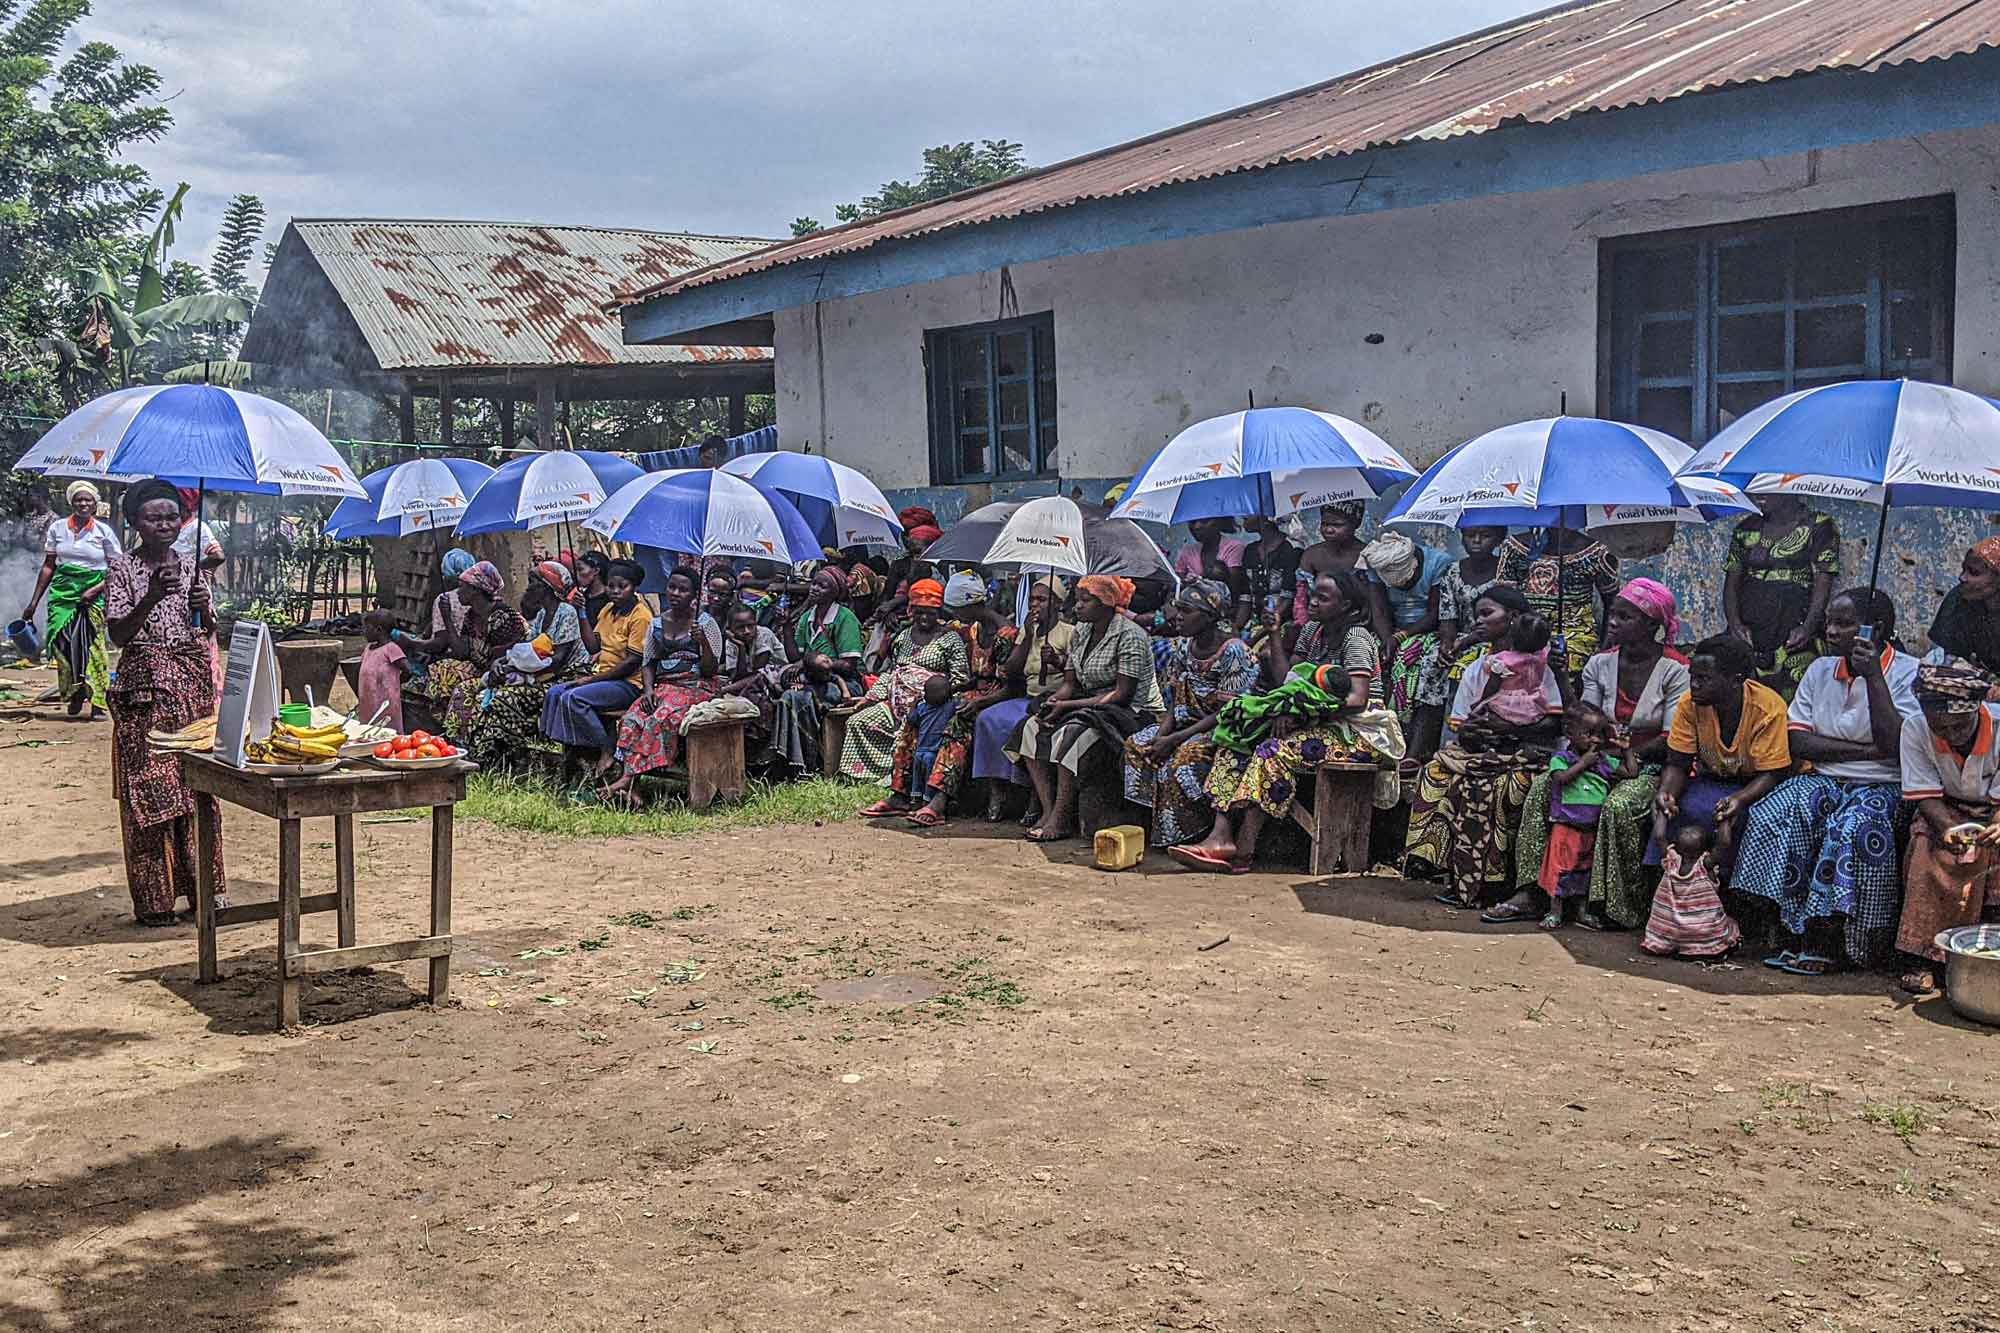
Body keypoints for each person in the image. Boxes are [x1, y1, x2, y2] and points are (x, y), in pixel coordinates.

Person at [1734, 589, 1923, 975]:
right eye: (1829, 623)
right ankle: (1786, 926)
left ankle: (1837, 937)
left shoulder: (1908, 672)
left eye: (1843, 623)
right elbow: (1798, 740)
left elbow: (1897, 746)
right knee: (1778, 810)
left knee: (1854, 827)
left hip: (1885, 786)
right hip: (1828, 777)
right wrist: (1865, 752)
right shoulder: (1821, 670)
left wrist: (1873, 678)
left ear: (1876, 629)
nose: (1831, 631)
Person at [1175, 569, 1403, 872]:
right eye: (1312, 596)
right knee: (1236, 737)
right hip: (1318, 725)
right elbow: (1288, 680)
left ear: (1346, 605)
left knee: (1272, 750)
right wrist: (1274, 633)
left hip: (1359, 733)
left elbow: (1357, 700)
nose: (1313, 602)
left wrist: (1300, 713)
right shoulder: (1311, 632)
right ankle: (1220, 835)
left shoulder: (1357, 638)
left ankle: (1245, 846)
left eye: (1323, 598)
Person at [1508, 579, 1690, 931]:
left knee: (1619, 806)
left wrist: (1622, 753)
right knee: (1544, 787)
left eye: (1625, 617)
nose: (1613, 622)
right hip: (1596, 757)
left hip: (1646, 765)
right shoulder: (1599, 664)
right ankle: (1532, 890)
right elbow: (1583, 716)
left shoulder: (1676, 670)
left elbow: (1671, 738)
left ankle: (1617, 905)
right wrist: (1561, 675)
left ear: (1652, 625)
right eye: (1614, 614)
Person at [103, 480, 226, 926]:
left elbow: (207, 629)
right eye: (154, 518)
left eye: (172, 517)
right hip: (145, 695)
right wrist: (152, 595)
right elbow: (117, 634)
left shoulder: (195, 568)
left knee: (198, 788)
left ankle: (204, 893)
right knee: (150, 789)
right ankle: (154, 901)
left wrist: (205, 610)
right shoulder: (123, 570)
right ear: (135, 522)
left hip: (191, 694)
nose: (165, 525)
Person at [1404, 586, 1565, 909]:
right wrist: (1474, 732)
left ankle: (1492, 882)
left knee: (1505, 786)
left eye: (1487, 613)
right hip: (1486, 750)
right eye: (1476, 614)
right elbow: (1463, 726)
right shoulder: (1477, 668)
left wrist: (1509, 728)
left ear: (1515, 617)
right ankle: (1445, 867)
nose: (1478, 621)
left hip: (1531, 751)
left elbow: (1555, 722)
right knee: (1435, 772)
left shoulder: (1542, 667)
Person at [1012, 575, 1163, 843]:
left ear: (1106, 604)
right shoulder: (1081, 631)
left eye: (1086, 601)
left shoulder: (1130, 636)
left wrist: (1067, 706)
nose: (1078, 607)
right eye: (1077, 600)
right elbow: (1070, 684)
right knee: (1031, 726)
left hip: (1129, 712)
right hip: (1087, 703)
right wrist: (1055, 702)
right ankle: (1047, 809)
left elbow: (1121, 693)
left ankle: (1061, 816)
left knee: (1071, 735)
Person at [1123, 580, 1259, 848]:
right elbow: (1176, 700)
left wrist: (1172, 741)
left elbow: (1226, 713)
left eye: (1187, 610)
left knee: (1184, 758)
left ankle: (1190, 832)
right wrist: (1161, 737)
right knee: (1137, 745)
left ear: (1209, 616)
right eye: (1178, 609)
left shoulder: (1235, 652)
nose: (1178, 617)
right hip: (1184, 724)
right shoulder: (1185, 646)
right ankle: (1146, 825)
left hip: (1219, 729)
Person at [1649, 635, 1792, 885]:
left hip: (1757, 786)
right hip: (1712, 782)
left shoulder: (1768, 709)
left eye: (1703, 679)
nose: (1693, 685)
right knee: (1674, 811)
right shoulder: (1689, 705)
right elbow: (1678, 761)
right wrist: (1666, 793)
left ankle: (1735, 894)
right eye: (1692, 676)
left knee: (1747, 820)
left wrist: (1740, 798)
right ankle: (1674, 890)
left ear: (1735, 681)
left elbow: (1773, 772)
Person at [1892, 662, 2000, 994]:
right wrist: (1948, 828)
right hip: (1945, 807)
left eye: (1959, 726)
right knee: (1929, 849)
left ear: (1976, 711)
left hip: (1994, 809)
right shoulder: (1915, 729)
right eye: (1942, 728)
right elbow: (1924, 794)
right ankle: (1923, 957)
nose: (1951, 735)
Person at [448, 560, 589, 768]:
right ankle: (468, 748)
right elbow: (524, 647)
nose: (528, 587)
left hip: (566, 678)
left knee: (504, 697)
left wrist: (512, 668)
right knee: (473, 691)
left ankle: (508, 756)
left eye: (533, 582)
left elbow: (557, 661)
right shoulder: (542, 615)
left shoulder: (566, 613)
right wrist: (500, 663)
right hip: (540, 676)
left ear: (546, 587)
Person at [602, 565, 723, 800]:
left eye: (683, 590)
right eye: (672, 587)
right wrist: (647, 691)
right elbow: (649, 661)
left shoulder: (706, 623)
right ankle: (633, 789)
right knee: (632, 718)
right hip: (665, 686)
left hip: (696, 687)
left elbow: (711, 670)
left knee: (660, 718)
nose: (676, 593)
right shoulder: (657, 624)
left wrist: (704, 643)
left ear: (695, 595)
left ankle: (626, 779)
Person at [840, 578, 970, 785]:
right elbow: (892, 671)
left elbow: (960, 679)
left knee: (912, 732)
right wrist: (870, 697)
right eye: (919, 612)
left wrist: (937, 702)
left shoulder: (949, 639)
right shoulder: (903, 636)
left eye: (930, 612)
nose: (924, 617)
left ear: (939, 612)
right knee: (858, 721)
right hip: (894, 703)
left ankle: (901, 779)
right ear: (911, 610)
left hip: (928, 707)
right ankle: (862, 776)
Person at [541, 558, 653, 781]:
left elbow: (631, 663)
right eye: (611, 586)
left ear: (634, 588)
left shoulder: (641, 616)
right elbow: (593, 645)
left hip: (628, 683)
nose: (615, 591)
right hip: (603, 676)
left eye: (623, 587)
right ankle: (574, 750)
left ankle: (606, 748)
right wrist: (581, 613)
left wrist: (590, 681)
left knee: (574, 698)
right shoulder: (608, 610)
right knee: (554, 693)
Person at [973, 576, 1071, 823]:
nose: (1035, 605)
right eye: (1032, 600)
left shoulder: (1070, 632)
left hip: (1053, 700)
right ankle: (998, 787)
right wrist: (1028, 636)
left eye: (1042, 599)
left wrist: (1058, 660)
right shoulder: (1029, 631)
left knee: (1022, 725)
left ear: (1057, 603)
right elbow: (1011, 669)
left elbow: (1075, 675)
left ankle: (1033, 796)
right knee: (988, 719)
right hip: (1027, 697)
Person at [1722, 494, 1840, 699]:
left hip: (1793, 628)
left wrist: (1807, 627)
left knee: (1792, 699)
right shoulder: (1746, 528)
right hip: (1752, 627)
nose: (1759, 494)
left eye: (1768, 488)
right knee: (1746, 698)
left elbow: (1824, 578)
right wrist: (1735, 625)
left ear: (1788, 489)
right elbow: (1732, 580)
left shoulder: (1818, 525)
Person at [21, 480, 119, 717]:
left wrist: (96, 589)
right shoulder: (57, 528)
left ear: (95, 504)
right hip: (62, 593)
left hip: (94, 593)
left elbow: (117, 568)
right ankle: (75, 693)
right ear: (71, 502)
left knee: (92, 645)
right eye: (78, 499)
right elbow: (48, 566)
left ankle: (97, 701)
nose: (83, 503)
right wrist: (33, 603)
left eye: (87, 499)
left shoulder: (103, 532)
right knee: (62, 644)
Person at [765, 564, 867, 775]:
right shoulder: (806, 617)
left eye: (823, 586)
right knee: (787, 694)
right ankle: (788, 759)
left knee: (800, 698)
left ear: (835, 592)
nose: (815, 589)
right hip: (814, 679)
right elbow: (795, 658)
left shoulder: (844, 618)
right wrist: (785, 626)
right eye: (814, 584)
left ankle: (808, 763)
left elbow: (849, 665)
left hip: (845, 683)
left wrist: (810, 661)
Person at [1534, 703, 1629, 929]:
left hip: (1590, 826)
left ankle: (1581, 911)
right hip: (1566, 826)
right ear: (1570, 733)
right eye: (1588, 734)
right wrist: (1583, 764)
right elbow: (1560, 779)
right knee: (1559, 870)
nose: (1595, 740)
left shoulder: (1603, 761)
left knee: (1584, 870)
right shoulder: (1563, 758)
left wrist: (1626, 750)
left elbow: (1630, 773)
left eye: (1599, 735)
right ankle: (1554, 911)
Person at [1365, 530, 1454, 759]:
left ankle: (1414, 749)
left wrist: (1401, 638)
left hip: (1427, 630)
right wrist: (1387, 640)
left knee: (1414, 663)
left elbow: (1437, 613)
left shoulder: (1438, 563)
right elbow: (1380, 610)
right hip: (1391, 630)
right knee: (1369, 658)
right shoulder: (1377, 564)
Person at [406, 560, 525, 723]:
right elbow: (460, 652)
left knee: (455, 683)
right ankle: (442, 724)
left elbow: (498, 660)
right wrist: (447, 617)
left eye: (462, 587)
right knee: (442, 668)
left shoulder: (502, 616)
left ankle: (452, 727)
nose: (458, 592)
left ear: (475, 590)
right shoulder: (471, 615)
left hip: (501, 672)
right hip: (478, 667)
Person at [1496, 528, 1621, 673]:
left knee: (1566, 667)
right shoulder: (1514, 547)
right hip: (1522, 631)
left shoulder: (1596, 552)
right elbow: (1503, 598)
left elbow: (1612, 602)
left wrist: (1603, 651)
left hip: (1574, 633)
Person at [865, 674, 964, 826]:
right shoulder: (950, 706)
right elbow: (959, 703)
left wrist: (914, 706)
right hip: (932, 752)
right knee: (927, 779)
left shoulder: (923, 708)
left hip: (920, 751)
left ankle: (918, 803)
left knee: (919, 777)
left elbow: (912, 719)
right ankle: (922, 801)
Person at [1641, 824, 1741, 959]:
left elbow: (1659, 836)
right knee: (1730, 925)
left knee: (1665, 923)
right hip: (1700, 933)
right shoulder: (1706, 865)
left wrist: (1661, 810)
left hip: (1668, 932)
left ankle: (1663, 944)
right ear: (1706, 850)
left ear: (1675, 847)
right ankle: (1701, 947)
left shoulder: (1671, 862)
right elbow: (1724, 842)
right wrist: (1725, 820)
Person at [1924, 536, 2000, 677]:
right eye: (1963, 569)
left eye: (1974, 572)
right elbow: (1949, 660)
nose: (1962, 578)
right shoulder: (1959, 598)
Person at [1436, 526, 1506, 677]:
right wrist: (1447, 643)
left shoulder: (1506, 571)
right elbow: (1447, 616)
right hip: (1460, 638)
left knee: (1472, 665)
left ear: (1499, 539)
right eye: (1470, 535)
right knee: (1434, 662)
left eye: (1485, 535)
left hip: (1496, 639)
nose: (1476, 540)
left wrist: (1467, 641)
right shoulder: (1452, 571)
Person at [1293, 502, 1377, 626]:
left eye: (1337, 525)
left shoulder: (1367, 554)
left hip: (1359, 623)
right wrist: (1302, 626)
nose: (1328, 530)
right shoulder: (1311, 555)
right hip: (1319, 623)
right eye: (1324, 524)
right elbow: (1301, 598)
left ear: (1356, 524)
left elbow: (1375, 601)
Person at [1469, 612, 1555, 726]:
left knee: (1480, 714)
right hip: (1535, 701)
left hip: (1506, 703)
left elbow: (1493, 685)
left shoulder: (1502, 660)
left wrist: (1481, 701)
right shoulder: (1544, 656)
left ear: (1512, 637)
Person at [1235, 514, 1301, 635]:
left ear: (1267, 520)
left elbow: (1288, 597)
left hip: (1284, 623)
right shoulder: (1250, 551)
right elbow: (1246, 597)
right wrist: (1236, 628)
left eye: (1248, 516)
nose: (1243, 518)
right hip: (1255, 621)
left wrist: (1260, 633)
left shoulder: (1292, 549)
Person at [357, 610, 408, 734]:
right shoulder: (368, 649)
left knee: (387, 730)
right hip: (368, 699)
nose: (363, 632)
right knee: (368, 729)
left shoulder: (391, 649)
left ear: (378, 630)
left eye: (366, 628)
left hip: (386, 701)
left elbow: (407, 668)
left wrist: (396, 684)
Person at [1173, 518, 1247, 597]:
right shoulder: (1187, 551)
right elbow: (1176, 584)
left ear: (1219, 522)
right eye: (1192, 521)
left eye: (1204, 521)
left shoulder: (1233, 547)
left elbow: (1235, 587)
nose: (1197, 526)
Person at [571, 551, 613, 629]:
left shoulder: (610, 598)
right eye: (575, 570)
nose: (576, 574)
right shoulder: (580, 598)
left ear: (596, 571)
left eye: (580, 569)